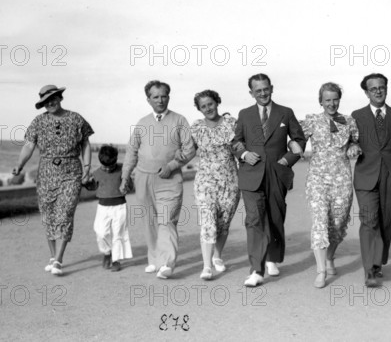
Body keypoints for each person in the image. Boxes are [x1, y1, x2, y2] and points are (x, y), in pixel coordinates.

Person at [232, 73, 306, 287]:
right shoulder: (244, 114)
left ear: (271, 88)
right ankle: (256, 269)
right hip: (251, 175)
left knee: (275, 218)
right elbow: (236, 142)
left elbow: (299, 139)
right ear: (251, 93)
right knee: (254, 220)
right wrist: (244, 154)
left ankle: (273, 257)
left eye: (266, 89)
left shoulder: (286, 112)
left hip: (277, 173)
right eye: (258, 90)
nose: (263, 93)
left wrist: (288, 159)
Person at [12, 85, 94, 276]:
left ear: (60, 97)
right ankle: (52, 256)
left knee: (65, 213)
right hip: (46, 172)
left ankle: (58, 260)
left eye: (53, 99)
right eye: (46, 102)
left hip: (72, 171)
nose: (50, 103)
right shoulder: (38, 121)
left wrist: (87, 168)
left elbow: (85, 143)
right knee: (48, 214)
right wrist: (20, 165)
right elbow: (29, 145)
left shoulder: (76, 118)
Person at [121, 80, 196, 279]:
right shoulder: (142, 122)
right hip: (143, 178)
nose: (160, 100)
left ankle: (167, 263)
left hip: (169, 179)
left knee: (167, 220)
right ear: (148, 99)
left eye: (164, 96)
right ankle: (154, 259)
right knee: (150, 220)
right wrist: (125, 176)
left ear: (169, 97)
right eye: (155, 97)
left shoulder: (180, 120)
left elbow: (189, 149)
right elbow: (132, 151)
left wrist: (172, 166)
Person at [351, 73, 391, 287]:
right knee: (369, 220)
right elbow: (350, 142)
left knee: (386, 221)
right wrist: (353, 146)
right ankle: (369, 269)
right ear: (366, 92)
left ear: (386, 88)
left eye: (381, 87)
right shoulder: (356, 116)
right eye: (373, 88)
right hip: (365, 176)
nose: (378, 91)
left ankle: (378, 263)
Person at [299, 83, 362, 288]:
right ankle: (321, 270)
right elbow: (296, 139)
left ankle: (329, 257)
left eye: (335, 99)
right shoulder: (312, 121)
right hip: (317, 178)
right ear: (321, 101)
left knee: (337, 224)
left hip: (342, 178)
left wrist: (353, 147)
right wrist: (294, 148)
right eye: (327, 100)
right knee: (320, 222)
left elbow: (355, 141)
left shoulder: (349, 121)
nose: (331, 103)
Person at [178, 90, 241, 280]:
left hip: (230, 181)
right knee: (208, 222)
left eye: (210, 104)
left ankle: (217, 256)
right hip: (205, 181)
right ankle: (206, 267)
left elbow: (240, 148)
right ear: (199, 109)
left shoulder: (232, 123)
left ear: (217, 102)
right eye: (203, 106)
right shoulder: (196, 127)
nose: (208, 109)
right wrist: (172, 162)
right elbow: (188, 151)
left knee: (223, 223)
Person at [87, 145, 132, 272]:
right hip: (103, 207)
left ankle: (116, 260)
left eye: (110, 166)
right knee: (100, 232)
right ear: (100, 162)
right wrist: (86, 182)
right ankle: (107, 252)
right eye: (104, 167)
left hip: (119, 206)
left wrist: (127, 185)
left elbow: (131, 186)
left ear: (116, 160)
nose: (107, 169)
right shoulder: (96, 173)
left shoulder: (123, 169)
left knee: (118, 233)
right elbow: (92, 187)